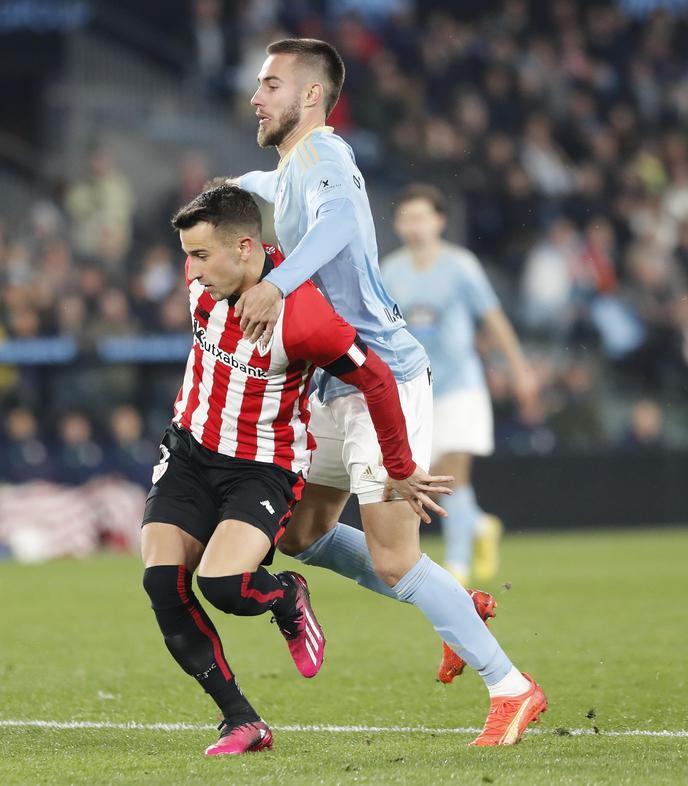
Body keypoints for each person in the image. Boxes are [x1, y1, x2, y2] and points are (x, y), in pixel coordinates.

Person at [230, 39, 545, 745]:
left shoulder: (326, 156)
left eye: (271, 84)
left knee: (396, 557)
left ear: (311, 95)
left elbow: (340, 223)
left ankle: (512, 687)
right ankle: (457, 606)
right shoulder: (293, 168)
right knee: (299, 535)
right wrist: (231, 186)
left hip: (382, 380)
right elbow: (276, 188)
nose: (257, 96)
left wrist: (277, 283)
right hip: (333, 386)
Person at [143, 186, 438, 756]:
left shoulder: (303, 317)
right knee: (162, 581)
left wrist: (399, 468)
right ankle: (241, 721)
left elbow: (375, 378)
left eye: (201, 255)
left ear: (246, 248)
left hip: (261, 467)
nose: (190, 270)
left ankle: (286, 597)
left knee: (224, 585)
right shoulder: (204, 280)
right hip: (187, 451)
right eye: (187, 255)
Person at [381, 184, 541, 592]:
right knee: (434, 476)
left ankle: (457, 566)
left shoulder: (461, 265)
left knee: (452, 474)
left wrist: (519, 369)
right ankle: (481, 525)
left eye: (421, 217)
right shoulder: (390, 270)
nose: (414, 226)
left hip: (461, 385)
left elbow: (494, 318)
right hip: (418, 389)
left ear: (439, 222)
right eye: (407, 218)